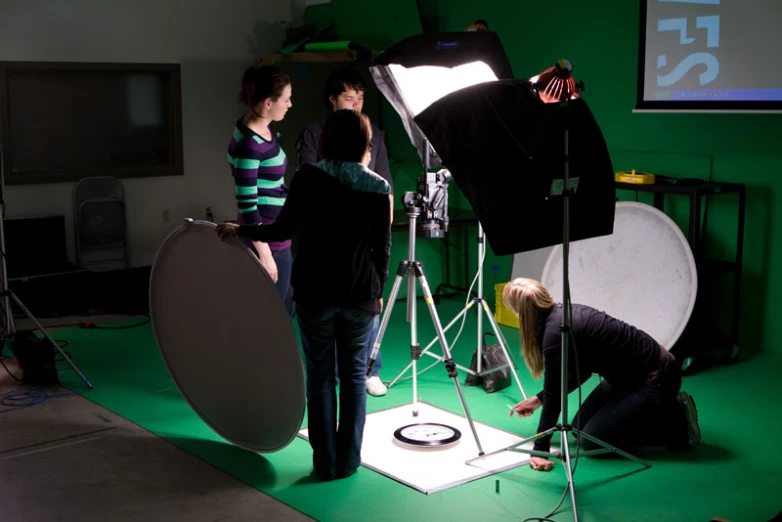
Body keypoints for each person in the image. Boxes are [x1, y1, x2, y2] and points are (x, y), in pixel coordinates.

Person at [216, 109, 392, 481]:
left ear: (326, 140)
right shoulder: (379, 188)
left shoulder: (307, 179)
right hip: (360, 297)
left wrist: (241, 230)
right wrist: (375, 292)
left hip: (315, 294)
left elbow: (282, 227)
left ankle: (324, 462)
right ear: (363, 144)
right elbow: (382, 250)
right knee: (355, 380)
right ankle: (349, 462)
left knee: (321, 379)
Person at [503, 278, 701, 472]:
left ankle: (676, 419)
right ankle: (656, 409)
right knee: (578, 428)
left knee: (592, 442)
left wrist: (541, 450)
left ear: (520, 312)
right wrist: (538, 399)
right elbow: (581, 373)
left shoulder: (555, 334)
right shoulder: (560, 316)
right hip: (624, 377)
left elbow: (555, 396)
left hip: (656, 377)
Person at [295, 65, 394, 397]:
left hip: (363, 242)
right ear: (332, 99)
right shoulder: (313, 135)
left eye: (361, 98)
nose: (356, 104)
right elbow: (308, 185)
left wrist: (384, 229)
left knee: (368, 302)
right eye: (349, 98)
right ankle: (335, 376)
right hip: (324, 242)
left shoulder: (374, 133)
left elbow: (385, 188)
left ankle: (370, 370)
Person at [228, 65, 294, 317]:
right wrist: (265, 254)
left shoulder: (255, 128)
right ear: (268, 103)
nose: (290, 104)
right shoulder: (249, 145)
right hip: (268, 240)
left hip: (275, 234)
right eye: (286, 99)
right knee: (273, 316)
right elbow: (247, 203)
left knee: (285, 307)